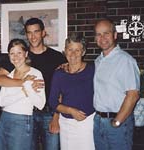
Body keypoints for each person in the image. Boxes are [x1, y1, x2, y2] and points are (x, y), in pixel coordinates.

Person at [0, 18, 65, 150]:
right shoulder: (18, 56)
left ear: (43, 33)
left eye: (36, 32)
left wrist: (56, 117)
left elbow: (63, 90)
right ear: (26, 34)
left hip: (48, 113)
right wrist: (24, 84)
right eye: (29, 32)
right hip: (25, 114)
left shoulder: (57, 57)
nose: (33, 36)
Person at [93, 18, 140, 150]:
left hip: (118, 123)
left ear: (114, 35)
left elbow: (133, 95)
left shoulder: (125, 60)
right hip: (99, 121)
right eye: (98, 34)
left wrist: (117, 122)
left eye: (106, 33)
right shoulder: (98, 61)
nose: (102, 38)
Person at [0, 39, 46, 150]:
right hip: (4, 119)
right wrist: (24, 89)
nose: (15, 57)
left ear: (26, 54)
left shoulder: (35, 73)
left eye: (19, 53)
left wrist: (26, 87)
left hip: (22, 120)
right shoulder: (9, 75)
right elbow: (2, 102)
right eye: (12, 53)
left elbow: (40, 104)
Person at [49, 32, 95, 150]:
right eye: (70, 49)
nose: (73, 54)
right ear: (65, 51)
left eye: (77, 50)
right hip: (66, 124)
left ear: (83, 52)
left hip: (87, 123)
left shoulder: (93, 70)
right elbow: (53, 101)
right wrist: (70, 110)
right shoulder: (59, 73)